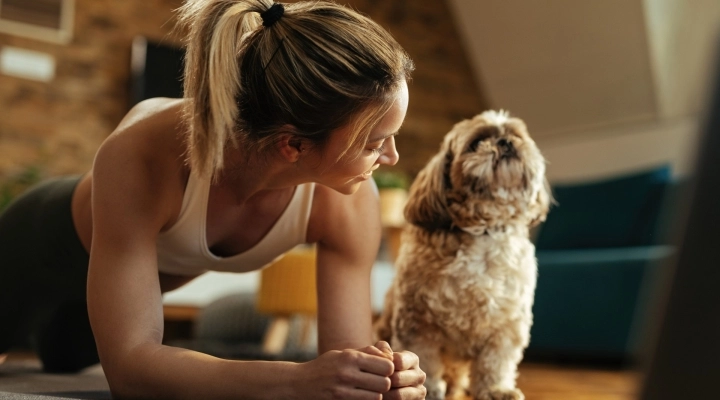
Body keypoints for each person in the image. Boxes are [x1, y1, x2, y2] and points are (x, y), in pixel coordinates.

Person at [0, 0, 427, 398]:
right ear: (293, 145)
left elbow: (347, 361)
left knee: (68, 362)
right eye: (375, 143)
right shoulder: (144, 151)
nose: (390, 157)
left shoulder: (350, 202)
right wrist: (295, 381)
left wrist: (379, 380)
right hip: (31, 254)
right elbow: (129, 372)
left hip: (106, 296)